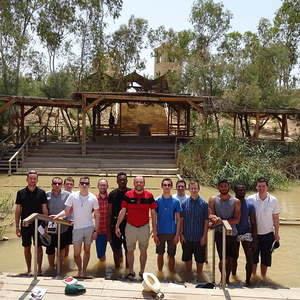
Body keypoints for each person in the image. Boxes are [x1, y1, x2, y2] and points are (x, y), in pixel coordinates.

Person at [53, 176, 100, 277]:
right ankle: (79, 269)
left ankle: (83, 271)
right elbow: (66, 211)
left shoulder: (93, 198)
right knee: (76, 254)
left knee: (87, 251)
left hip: (89, 227)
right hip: (77, 228)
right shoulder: (73, 196)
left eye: (86, 183)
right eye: (82, 183)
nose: (84, 185)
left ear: (89, 185)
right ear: (79, 185)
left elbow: (97, 215)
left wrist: (96, 230)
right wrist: (57, 216)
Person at [115, 176, 157, 280]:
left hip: (144, 227)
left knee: (143, 250)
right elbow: (123, 210)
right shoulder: (128, 195)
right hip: (130, 227)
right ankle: (130, 272)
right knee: (130, 250)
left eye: (141, 182)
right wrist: (117, 225)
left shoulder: (149, 195)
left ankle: (142, 272)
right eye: (137, 182)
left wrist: (155, 228)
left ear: (144, 183)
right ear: (134, 183)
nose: (139, 184)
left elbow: (153, 212)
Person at [15, 170, 48, 275]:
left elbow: (44, 209)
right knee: (26, 247)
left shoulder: (42, 193)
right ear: (27, 179)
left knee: (39, 247)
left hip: (39, 225)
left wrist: (46, 225)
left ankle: (39, 270)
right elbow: (18, 210)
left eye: (34, 178)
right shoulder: (20, 193)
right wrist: (17, 226)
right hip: (25, 225)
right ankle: (29, 269)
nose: (32, 180)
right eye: (31, 178)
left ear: (37, 180)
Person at [209, 179, 241, 284]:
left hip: (232, 233)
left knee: (231, 258)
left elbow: (237, 219)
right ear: (218, 187)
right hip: (219, 232)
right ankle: (222, 279)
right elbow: (211, 215)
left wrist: (221, 220)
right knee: (222, 258)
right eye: (221, 186)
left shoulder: (235, 201)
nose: (223, 188)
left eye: (225, 186)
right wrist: (214, 218)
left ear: (229, 187)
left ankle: (227, 279)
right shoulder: (213, 199)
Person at [247, 178, 280, 279]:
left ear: (267, 187)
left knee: (265, 259)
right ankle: (253, 277)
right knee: (253, 259)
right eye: (259, 186)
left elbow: (276, 218)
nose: (261, 188)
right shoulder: (250, 199)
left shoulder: (273, 200)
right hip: (254, 234)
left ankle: (263, 278)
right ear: (256, 187)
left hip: (268, 234)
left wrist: (277, 234)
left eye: (263, 186)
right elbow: (246, 216)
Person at [180, 181, 208, 279]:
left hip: (199, 237)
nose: (193, 190)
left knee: (200, 260)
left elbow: (206, 222)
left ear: (198, 189)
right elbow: (181, 220)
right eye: (191, 188)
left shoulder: (204, 204)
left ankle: (199, 278)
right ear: (189, 189)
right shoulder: (184, 204)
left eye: (195, 188)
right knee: (187, 260)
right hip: (187, 237)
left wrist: (204, 236)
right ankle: (189, 278)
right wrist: (181, 234)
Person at [232, 184, 257, 285]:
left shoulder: (250, 204)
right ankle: (233, 276)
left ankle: (247, 281)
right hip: (234, 232)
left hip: (246, 232)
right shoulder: (231, 202)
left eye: (243, 190)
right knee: (234, 257)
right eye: (239, 190)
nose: (241, 192)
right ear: (235, 191)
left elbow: (253, 222)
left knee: (249, 258)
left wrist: (255, 239)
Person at [155, 178, 181, 272]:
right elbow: (154, 219)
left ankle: (170, 274)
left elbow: (178, 220)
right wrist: (155, 233)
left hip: (172, 233)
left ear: (171, 187)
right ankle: (160, 273)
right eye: (165, 185)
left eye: (169, 185)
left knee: (171, 255)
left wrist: (177, 235)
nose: (167, 187)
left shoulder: (176, 202)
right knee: (160, 254)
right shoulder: (157, 201)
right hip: (160, 232)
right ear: (161, 186)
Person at [46, 177, 70, 270]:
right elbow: (44, 209)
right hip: (50, 224)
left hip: (63, 224)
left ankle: (60, 266)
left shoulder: (67, 195)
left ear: (62, 185)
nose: (57, 185)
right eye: (55, 183)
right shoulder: (46, 194)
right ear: (51, 184)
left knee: (61, 247)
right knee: (50, 248)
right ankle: (51, 267)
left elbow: (70, 209)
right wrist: (45, 224)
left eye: (59, 183)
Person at [108, 172, 130, 269]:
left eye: (124, 179)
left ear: (127, 181)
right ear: (117, 181)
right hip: (115, 224)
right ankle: (117, 269)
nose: (122, 181)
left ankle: (128, 271)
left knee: (128, 249)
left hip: (128, 224)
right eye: (120, 179)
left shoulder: (131, 193)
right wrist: (109, 229)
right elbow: (109, 212)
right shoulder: (112, 194)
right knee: (116, 249)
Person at [95, 179, 109, 261]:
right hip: (99, 231)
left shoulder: (111, 198)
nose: (102, 187)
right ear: (98, 186)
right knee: (101, 256)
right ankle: (103, 270)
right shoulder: (94, 199)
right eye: (101, 185)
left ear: (107, 186)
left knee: (118, 254)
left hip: (110, 230)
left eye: (104, 185)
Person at [63, 176, 75, 258]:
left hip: (73, 222)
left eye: (71, 184)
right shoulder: (60, 194)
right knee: (63, 244)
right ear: (64, 185)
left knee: (75, 243)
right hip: (62, 222)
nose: (69, 186)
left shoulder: (76, 195)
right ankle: (63, 260)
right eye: (67, 184)